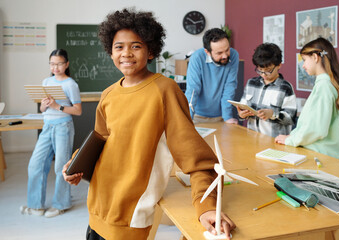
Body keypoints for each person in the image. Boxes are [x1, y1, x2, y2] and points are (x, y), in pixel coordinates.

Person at [62, 9, 235, 240]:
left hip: (130, 215)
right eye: (119, 47)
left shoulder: (165, 91)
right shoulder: (108, 94)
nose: (126, 53)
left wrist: (206, 207)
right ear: (110, 52)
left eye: (136, 46)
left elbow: (198, 159)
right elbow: (100, 140)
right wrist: (76, 161)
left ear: (151, 50)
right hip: (97, 206)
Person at [20, 49, 82, 218]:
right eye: (52, 64)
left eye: (59, 63)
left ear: (66, 64)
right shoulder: (46, 81)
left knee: (60, 167)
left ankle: (61, 204)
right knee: (35, 165)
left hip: (63, 127)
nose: (55, 67)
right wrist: (45, 105)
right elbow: (42, 109)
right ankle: (35, 205)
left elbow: (78, 110)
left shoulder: (70, 84)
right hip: (47, 126)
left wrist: (58, 106)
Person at [275, 37, 339, 159]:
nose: (303, 66)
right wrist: (292, 137)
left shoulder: (324, 86)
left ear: (315, 57)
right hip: (323, 155)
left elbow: (317, 128)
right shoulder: (329, 83)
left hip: (318, 157)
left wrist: (291, 140)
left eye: (304, 60)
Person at [237, 43, 297, 137]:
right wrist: (242, 114)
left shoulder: (285, 88)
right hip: (252, 138)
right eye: (260, 70)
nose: (263, 74)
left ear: (279, 65)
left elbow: (291, 118)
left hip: (275, 141)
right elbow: (243, 107)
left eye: (268, 70)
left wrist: (273, 114)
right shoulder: (251, 83)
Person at [185, 28, 239, 124]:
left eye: (227, 50)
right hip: (198, 116)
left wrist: (227, 117)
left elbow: (229, 87)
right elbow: (193, 91)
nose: (225, 56)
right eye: (219, 53)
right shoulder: (197, 58)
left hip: (221, 116)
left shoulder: (233, 55)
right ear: (207, 52)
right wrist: (187, 119)